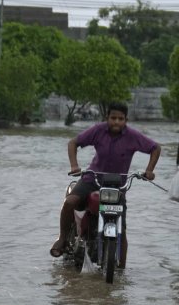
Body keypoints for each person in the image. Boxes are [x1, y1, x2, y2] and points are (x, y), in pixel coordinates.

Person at [50, 101, 161, 268]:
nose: (116, 122)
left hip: (117, 187)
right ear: (106, 118)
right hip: (91, 180)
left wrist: (149, 170)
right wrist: (74, 165)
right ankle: (62, 239)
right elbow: (73, 143)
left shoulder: (133, 136)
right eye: (113, 118)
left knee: (121, 229)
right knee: (70, 202)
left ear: (126, 120)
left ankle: (122, 269)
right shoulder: (98, 130)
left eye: (121, 119)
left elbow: (155, 148)